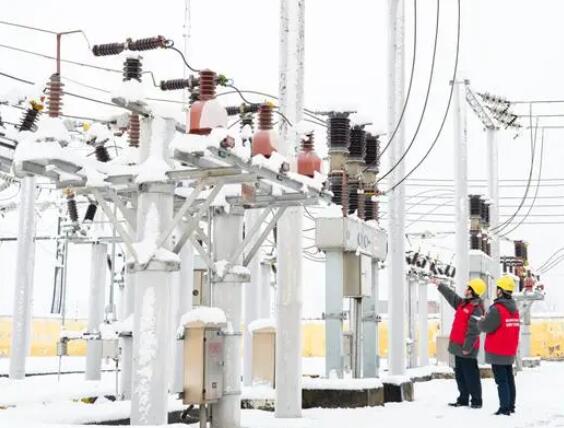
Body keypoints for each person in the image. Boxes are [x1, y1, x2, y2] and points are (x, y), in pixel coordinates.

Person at [433, 277, 486, 409]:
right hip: (457, 346)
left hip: (467, 347)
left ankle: (476, 400)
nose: (466, 289)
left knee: (471, 375)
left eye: (468, 288)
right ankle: (463, 399)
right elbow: (451, 296)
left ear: (473, 291)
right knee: (460, 374)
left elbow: (474, 330)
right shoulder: (463, 303)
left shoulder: (477, 308)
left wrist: (467, 347)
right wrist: (440, 285)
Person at [479, 275, 520, 416]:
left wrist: (482, 320)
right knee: (509, 378)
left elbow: (486, 326)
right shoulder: (514, 309)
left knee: (501, 381)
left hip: (497, 351)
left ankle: (504, 408)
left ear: (500, 291)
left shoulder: (497, 309)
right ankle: (511, 406)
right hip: (509, 350)